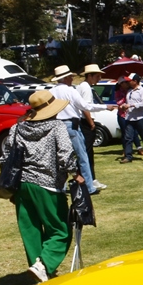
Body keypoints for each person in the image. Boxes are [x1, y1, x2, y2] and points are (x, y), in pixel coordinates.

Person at [2, 90, 81, 283]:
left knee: (31, 229)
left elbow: (5, 157)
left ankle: (40, 273)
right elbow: (65, 155)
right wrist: (76, 174)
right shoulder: (56, 127)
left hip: (21, 185)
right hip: (49, 185)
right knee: (60, 229)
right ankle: (44, 265)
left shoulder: (17, 128)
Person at [50, 65, 105, 193]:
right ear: (67, 78)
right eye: (71, 77)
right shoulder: (71, 91)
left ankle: (61, 187)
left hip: (57, 125)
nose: (72, 79)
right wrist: (105, 107)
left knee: (60, 158)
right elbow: (85, 106)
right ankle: (89, 187)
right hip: (71, 125)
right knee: (82, 156)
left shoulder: (52, 92)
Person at [76, 63, 116, 176]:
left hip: (83, 121)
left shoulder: (83, 86)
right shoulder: (86, 88)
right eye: (97, 76)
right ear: (90, 76)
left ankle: (88, 176)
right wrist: (91, 123)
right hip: (85, 122)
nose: (100, 78)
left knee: (86, 151)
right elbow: (85, 107)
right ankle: (90, 177)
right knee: (88, 152)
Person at [120, 73, 143, 163]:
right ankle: (128, 156)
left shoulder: (142, 91)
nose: (128, 82)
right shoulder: (129, 91)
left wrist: (132, 105)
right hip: (129, 118)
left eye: (130, 81)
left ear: (135, 81)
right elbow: (128, 103)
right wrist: (124, 106)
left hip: (140, 118)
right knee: (128, 137)